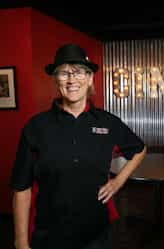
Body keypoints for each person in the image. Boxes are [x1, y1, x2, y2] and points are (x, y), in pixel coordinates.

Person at [10, 43, 147, 249]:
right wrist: (20, 241)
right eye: (64, 73)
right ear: (56, 80)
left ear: (90, 78)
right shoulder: (36, 127)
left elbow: (139, 149)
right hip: (50, 235)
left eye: (79, 72)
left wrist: (118, 182)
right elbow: (22, 187)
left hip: (96, 234)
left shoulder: (108, 122)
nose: (72, 79)